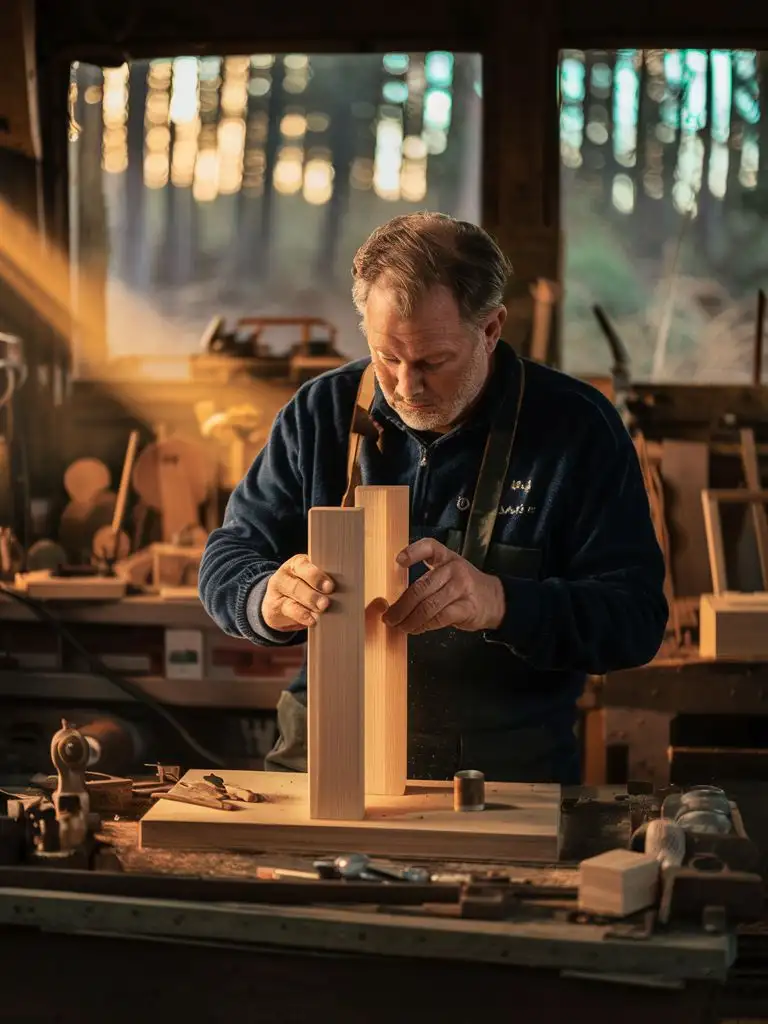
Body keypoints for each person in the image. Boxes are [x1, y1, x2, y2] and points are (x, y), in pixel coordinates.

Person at [199, 212, 668, 784]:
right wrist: (263, 598)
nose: (405, 386)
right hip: (325, 752)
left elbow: (636, 620)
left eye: (432, 362)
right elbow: (229, 556)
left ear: (491, 329)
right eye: (386, 356)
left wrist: (501, 602)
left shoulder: (578, 429)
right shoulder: (320, 413)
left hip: (504, 768)